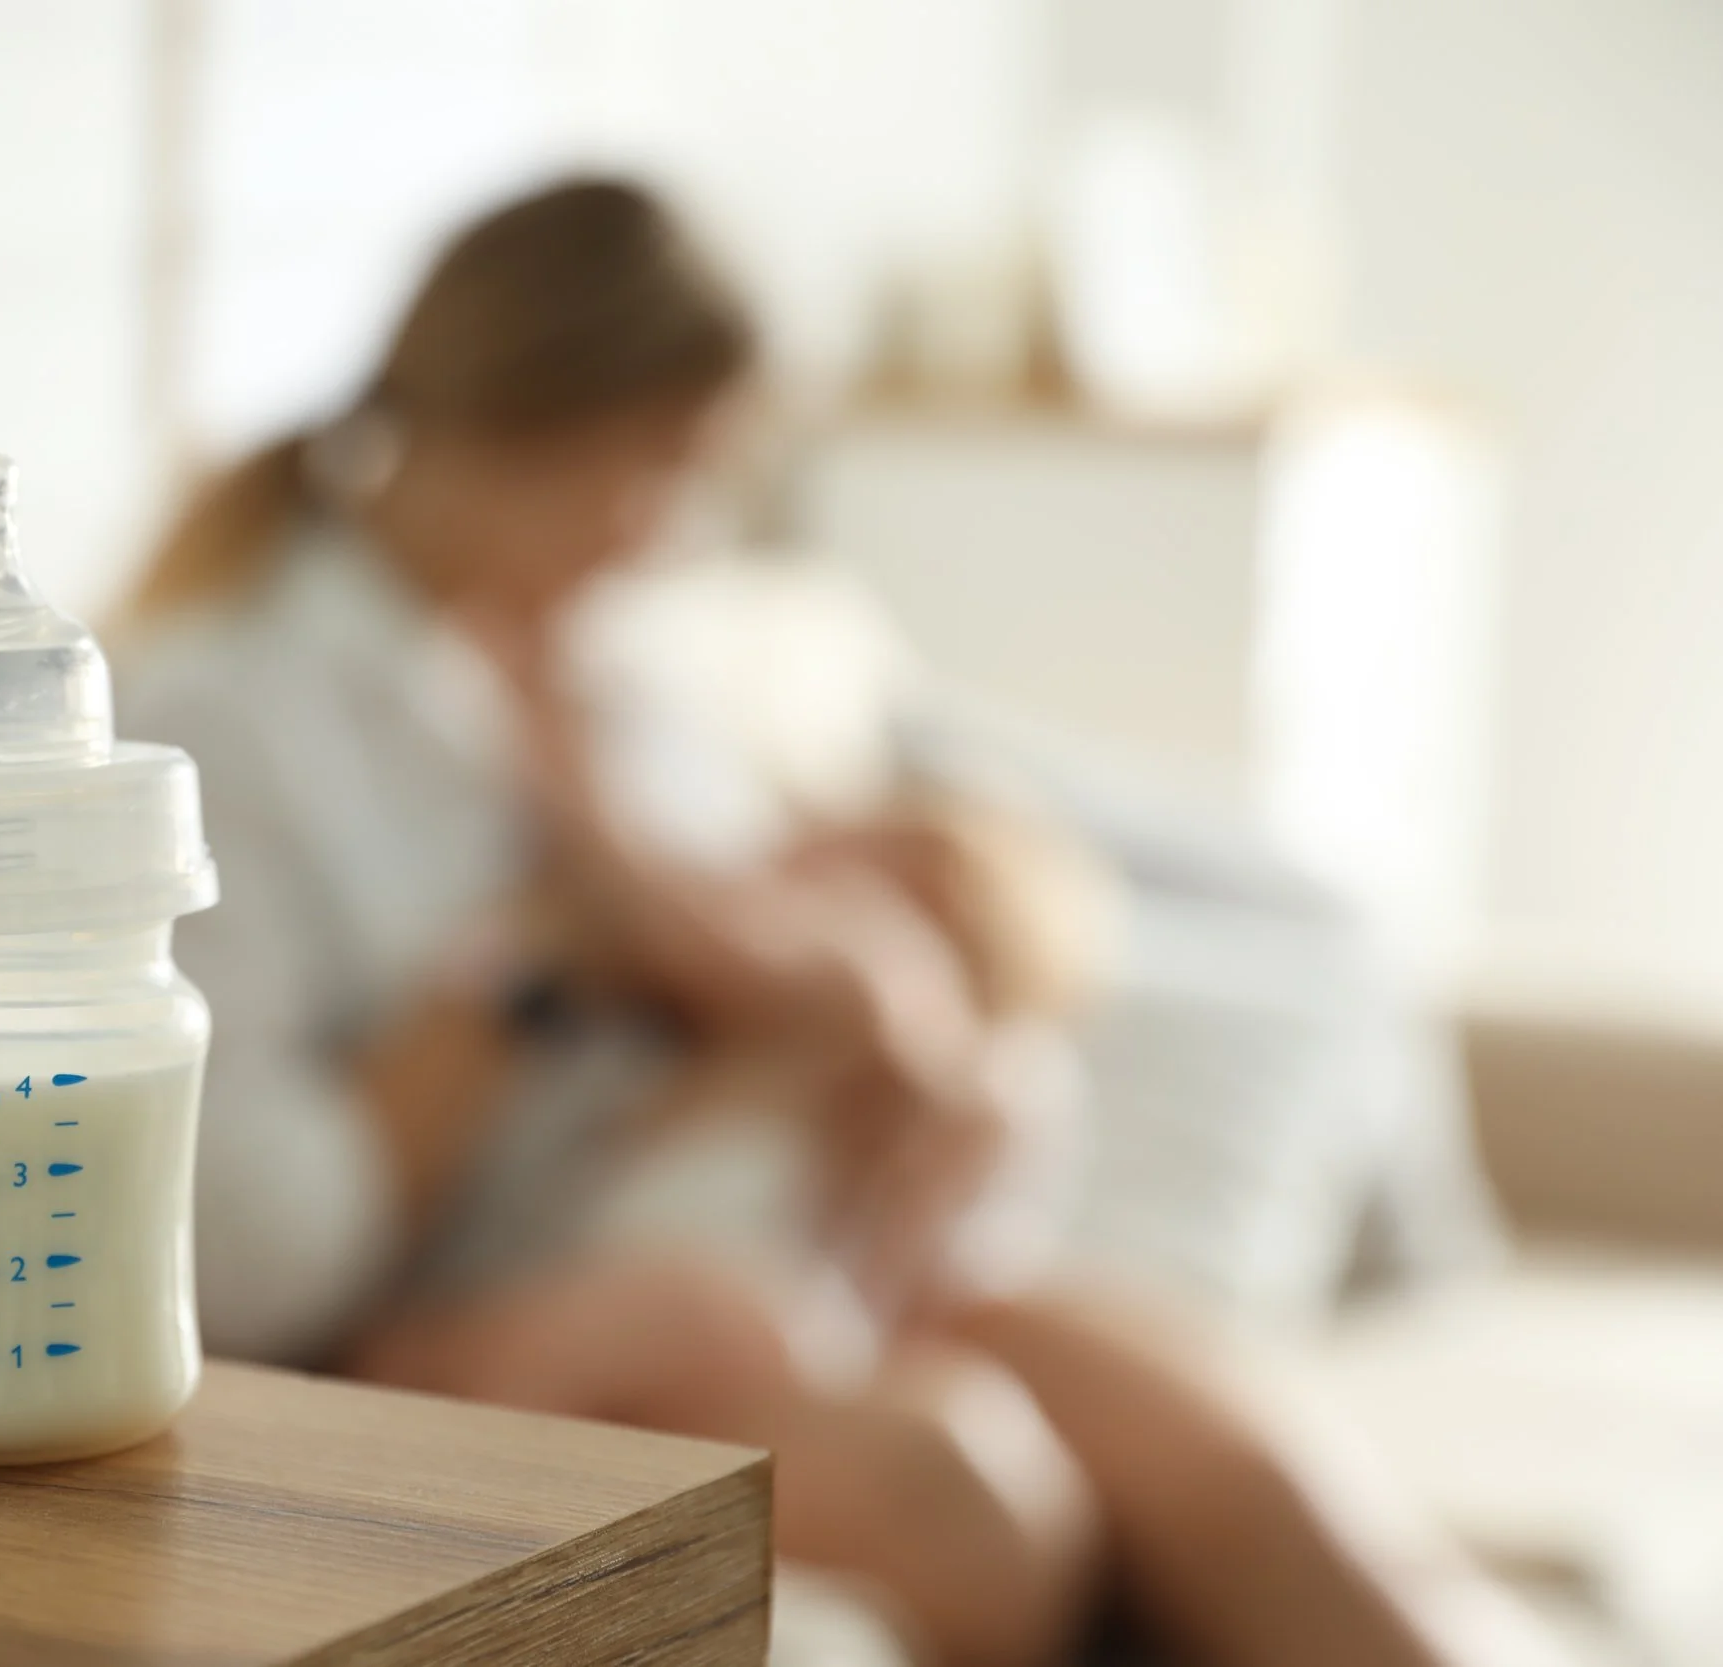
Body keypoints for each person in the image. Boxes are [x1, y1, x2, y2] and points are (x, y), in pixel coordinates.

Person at [117, 177, 1562, 1667]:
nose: (665, 534)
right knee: (971, 1497)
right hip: (529, 1326)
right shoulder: (231, 721)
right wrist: (538, 967)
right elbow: (252, 1251)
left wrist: (940, 1064)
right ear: (552, 418)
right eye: (662, 468)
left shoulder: (613, 682)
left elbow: (786, 931)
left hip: (808, 1259)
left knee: (1267, 1485)